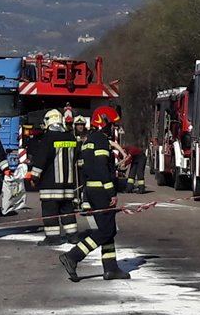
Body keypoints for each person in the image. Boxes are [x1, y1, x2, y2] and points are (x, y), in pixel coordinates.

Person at [60, 105, 128, 281]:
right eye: (112, 125)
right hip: (101, 191)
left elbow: (85, 168)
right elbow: (100, 167)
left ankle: (111, 268)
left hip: (92, 190)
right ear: (104, 122)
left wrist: (85, 196)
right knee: (106, 231)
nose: (113, 128)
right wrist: (111, 191)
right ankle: (73, 257)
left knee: (108, 230)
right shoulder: (100, 140)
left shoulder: (89, 140)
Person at [29, 109, 79, 243]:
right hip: (68, 184)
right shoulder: (70, 137)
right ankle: (73, 235)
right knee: (67, 210)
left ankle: (53, 237)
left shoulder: (48, 138)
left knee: (50, 211)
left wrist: (34, 177)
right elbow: (76, 159)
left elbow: (41, 159)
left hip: (50, 185)